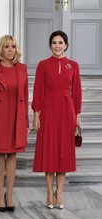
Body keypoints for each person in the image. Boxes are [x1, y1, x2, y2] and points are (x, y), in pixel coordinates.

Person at [32, 30, 82, 209]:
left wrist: (78, 115)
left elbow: (76, 91)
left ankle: (59, 192)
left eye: (60, 42)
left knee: (64, 153)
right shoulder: (43, 65)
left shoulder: (73, 65)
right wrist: (36, 115)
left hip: (67, 111)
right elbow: (38, 90)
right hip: (48, 110)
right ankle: (48, 192)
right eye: (54, 42)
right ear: (50, 45)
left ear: (66, 45)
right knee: (49, 152)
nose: (57, 46)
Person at [0, 35, 29, 212]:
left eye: (13, 46)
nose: (10, 49)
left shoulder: (22, 68)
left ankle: (9, 194)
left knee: (12, 156)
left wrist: (26, 120)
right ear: (0, 49)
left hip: (16, 116)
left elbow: (25, 97)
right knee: (0, 155)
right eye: (6, 46)